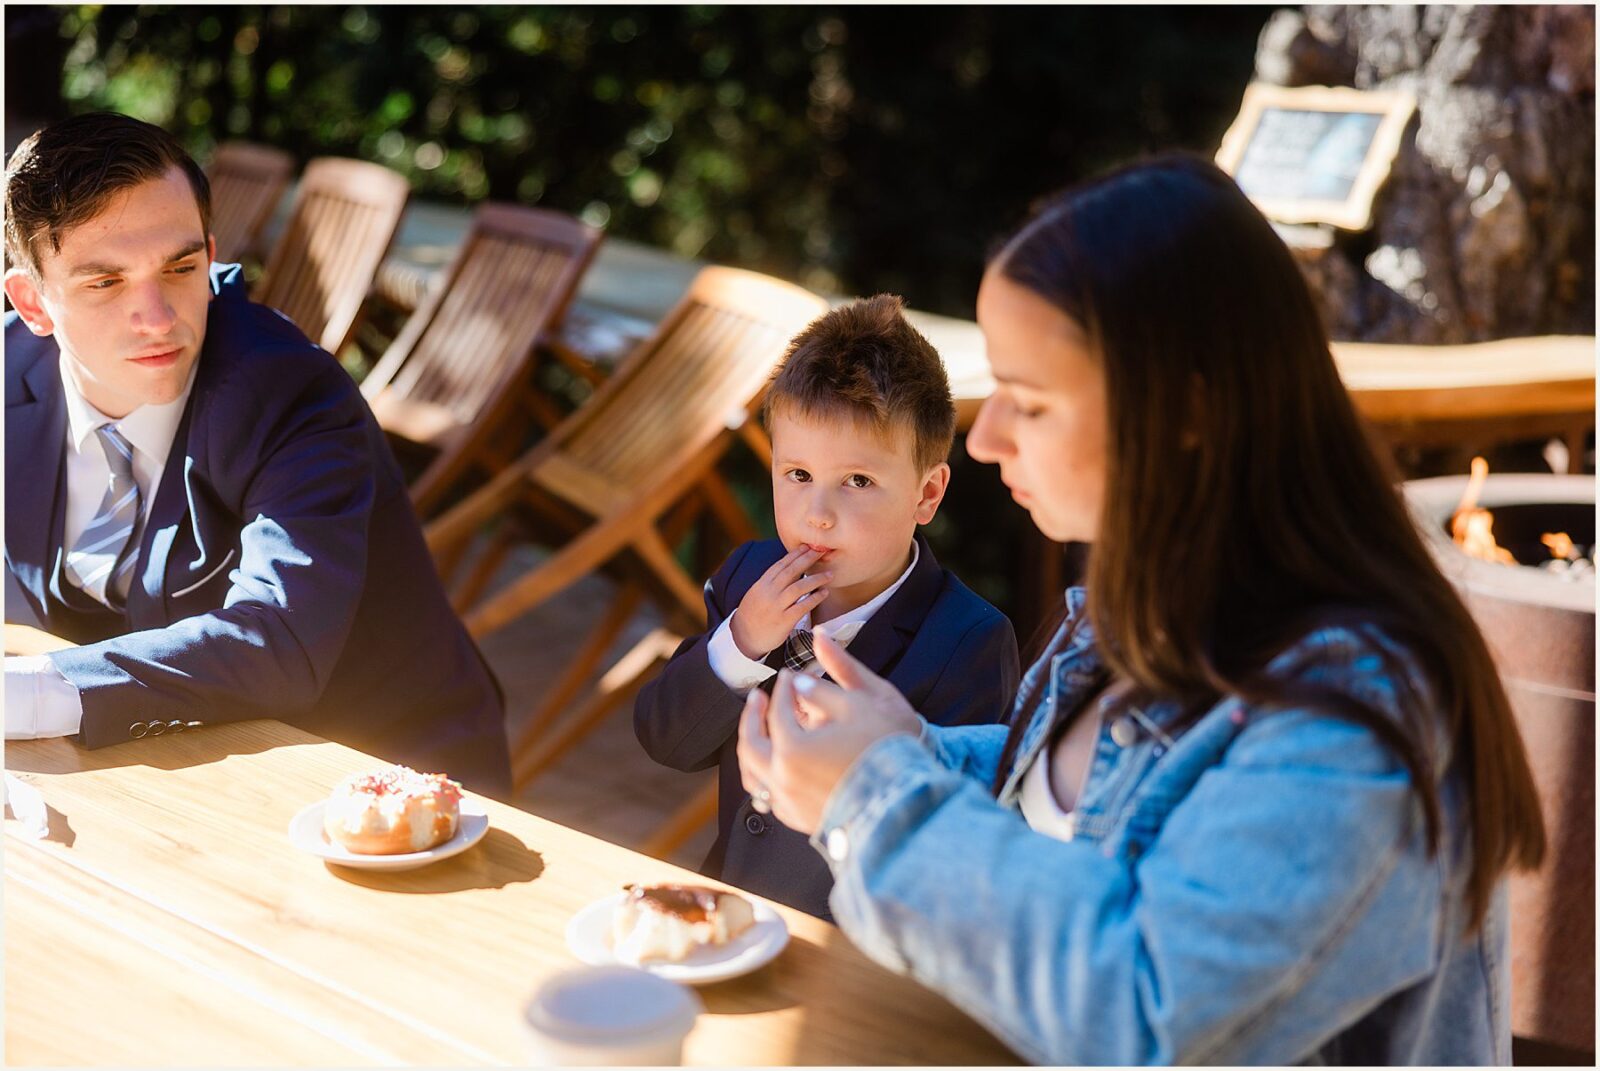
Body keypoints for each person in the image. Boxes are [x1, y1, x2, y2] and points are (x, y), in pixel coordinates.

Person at [735, 154, 1546, 1063]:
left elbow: (1146, 1014)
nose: (988, 433)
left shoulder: (1356, 715)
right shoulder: (1135, 620)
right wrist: (902, 749)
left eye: (1030, 402)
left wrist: (873, 795)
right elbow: (1079, 817)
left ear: (1186, 412)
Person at [3, 112, 513, 799]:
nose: (157, 317)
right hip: (147, 768)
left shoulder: (292, 391)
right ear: (33, 301)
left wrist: (30, 695)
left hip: (372, 776)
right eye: (105, 282)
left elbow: (278, 636)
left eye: (181, 267)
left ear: (210, 255)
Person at [634, 295, 1019, 919]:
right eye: (797, 474)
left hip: (857, 949)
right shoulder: (747, 579)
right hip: (730, 916)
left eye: (858, 481)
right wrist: (740, 644)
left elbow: (952, 843)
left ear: (927, 493)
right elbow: (666, 740)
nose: (818, 512)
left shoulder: (969, 640)